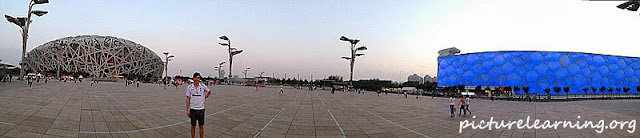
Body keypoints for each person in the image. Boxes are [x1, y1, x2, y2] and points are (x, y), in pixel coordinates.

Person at [186, 72, 212, 138]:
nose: (198, 79)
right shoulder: (189, 87)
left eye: (199, 78)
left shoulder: (202, 86)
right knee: (193, 126)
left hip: (201, 109)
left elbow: (209, 92)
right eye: (197, 77)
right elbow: (187, 99)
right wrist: (188, 110)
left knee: (201, 126)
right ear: (194, 78)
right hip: (193, 109)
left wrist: (204, 97)